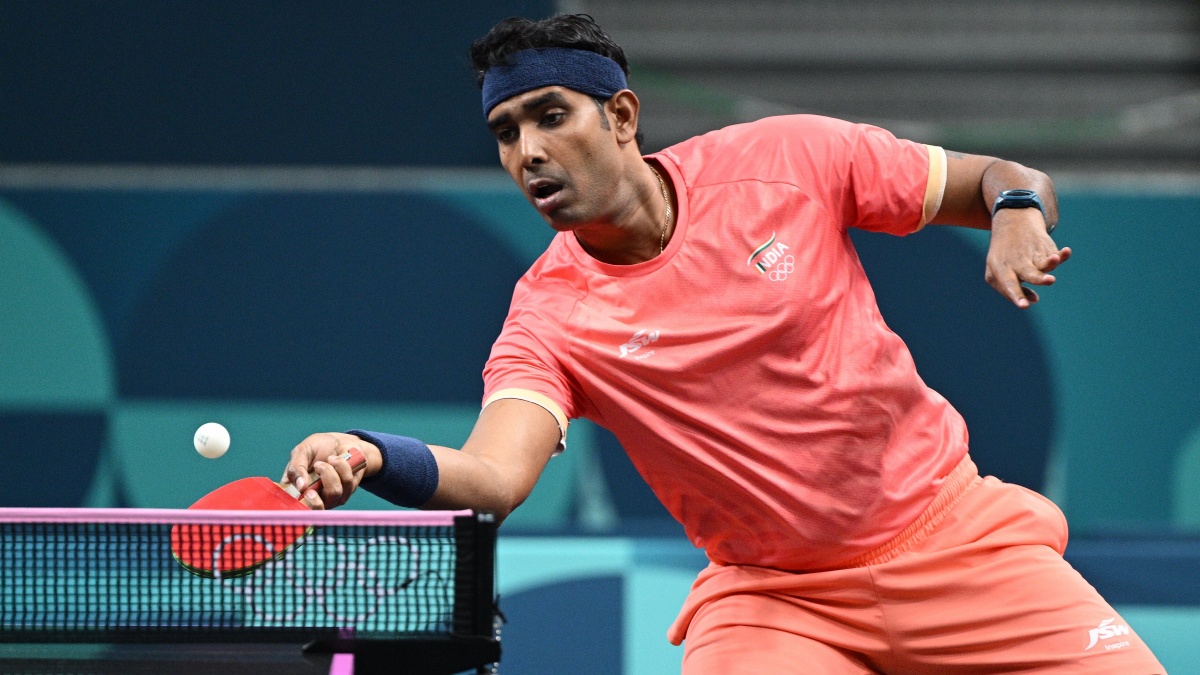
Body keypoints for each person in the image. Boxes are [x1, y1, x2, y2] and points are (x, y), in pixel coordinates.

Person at [283, 14, 1165, 674]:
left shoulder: (788, 159)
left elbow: (1004, 179)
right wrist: (370, 451)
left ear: (621, 116)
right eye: (506, 132)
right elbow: (492, 480)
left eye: (551, 115)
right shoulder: (548, 314)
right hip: (778, 603)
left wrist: (1013, 217)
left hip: (955, 541)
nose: (528, 151)